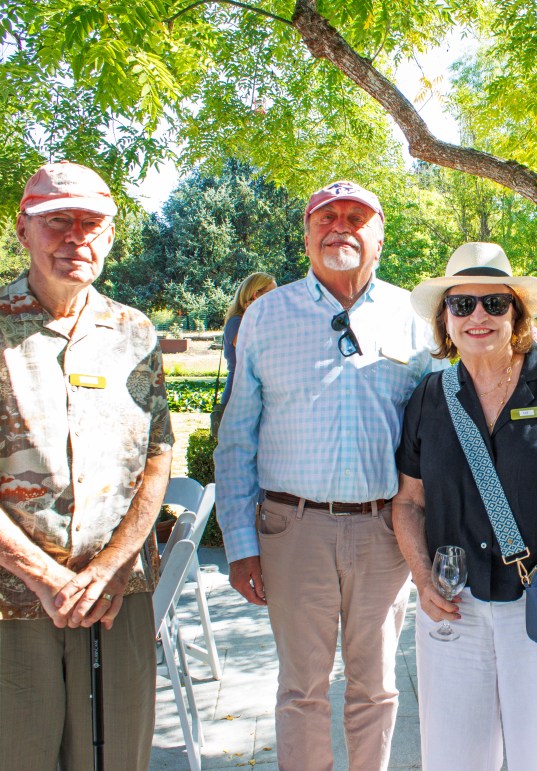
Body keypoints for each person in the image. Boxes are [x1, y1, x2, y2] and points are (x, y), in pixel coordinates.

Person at [214, 180, 439, 771]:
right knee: (302, 690)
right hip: (293, 529)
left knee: (377, 687)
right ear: (308, 234)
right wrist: (240, 544)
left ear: (380, 236)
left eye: (356, 217)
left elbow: (435, 433)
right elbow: (236, 437)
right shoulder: (266, 315)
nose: (340, 226)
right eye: (326, 217)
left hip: (383, 532)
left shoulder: (415, 318)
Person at [0, 161, 174, 770]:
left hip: (119, 597)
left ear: (111, 236)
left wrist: (114, 567)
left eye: (91, 224)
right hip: (9, 599)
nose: (76, 237)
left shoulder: (133, 331)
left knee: (117, 759)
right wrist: (45, 577)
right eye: (57, 222)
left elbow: (158, 454)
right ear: (23, 230)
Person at [393, 242, 537, 771]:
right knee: (453, 758)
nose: (478, 316)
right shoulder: (429, 398)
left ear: (517, 313)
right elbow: (408, 503)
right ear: (446, 320)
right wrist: (423, 579)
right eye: (462, 305)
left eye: (494, 303)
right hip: (453, 607)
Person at [221, 272, 276, 407]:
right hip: (239, 394)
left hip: (260, 393)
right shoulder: (236, 322)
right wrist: (253, 316)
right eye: (273, 293)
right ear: (256, 295)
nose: (277, 298)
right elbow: (254, 350)